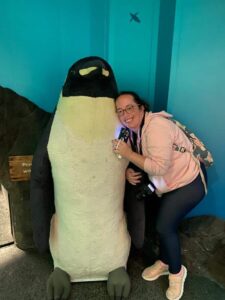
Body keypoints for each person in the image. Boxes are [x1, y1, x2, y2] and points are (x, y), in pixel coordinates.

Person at [112, 91, 207, 300]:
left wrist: (128, 154)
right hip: (168, 184)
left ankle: (176, 272)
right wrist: (127, 169)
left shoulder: (156, 127)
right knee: (161, 222)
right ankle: (164, 262)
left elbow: (159, 167)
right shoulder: (132, 131)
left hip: (189, 181)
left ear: (141, 107)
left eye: (130, 108)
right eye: (120, 111)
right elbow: (138, 158)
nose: (125, 114)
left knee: (164, 226)